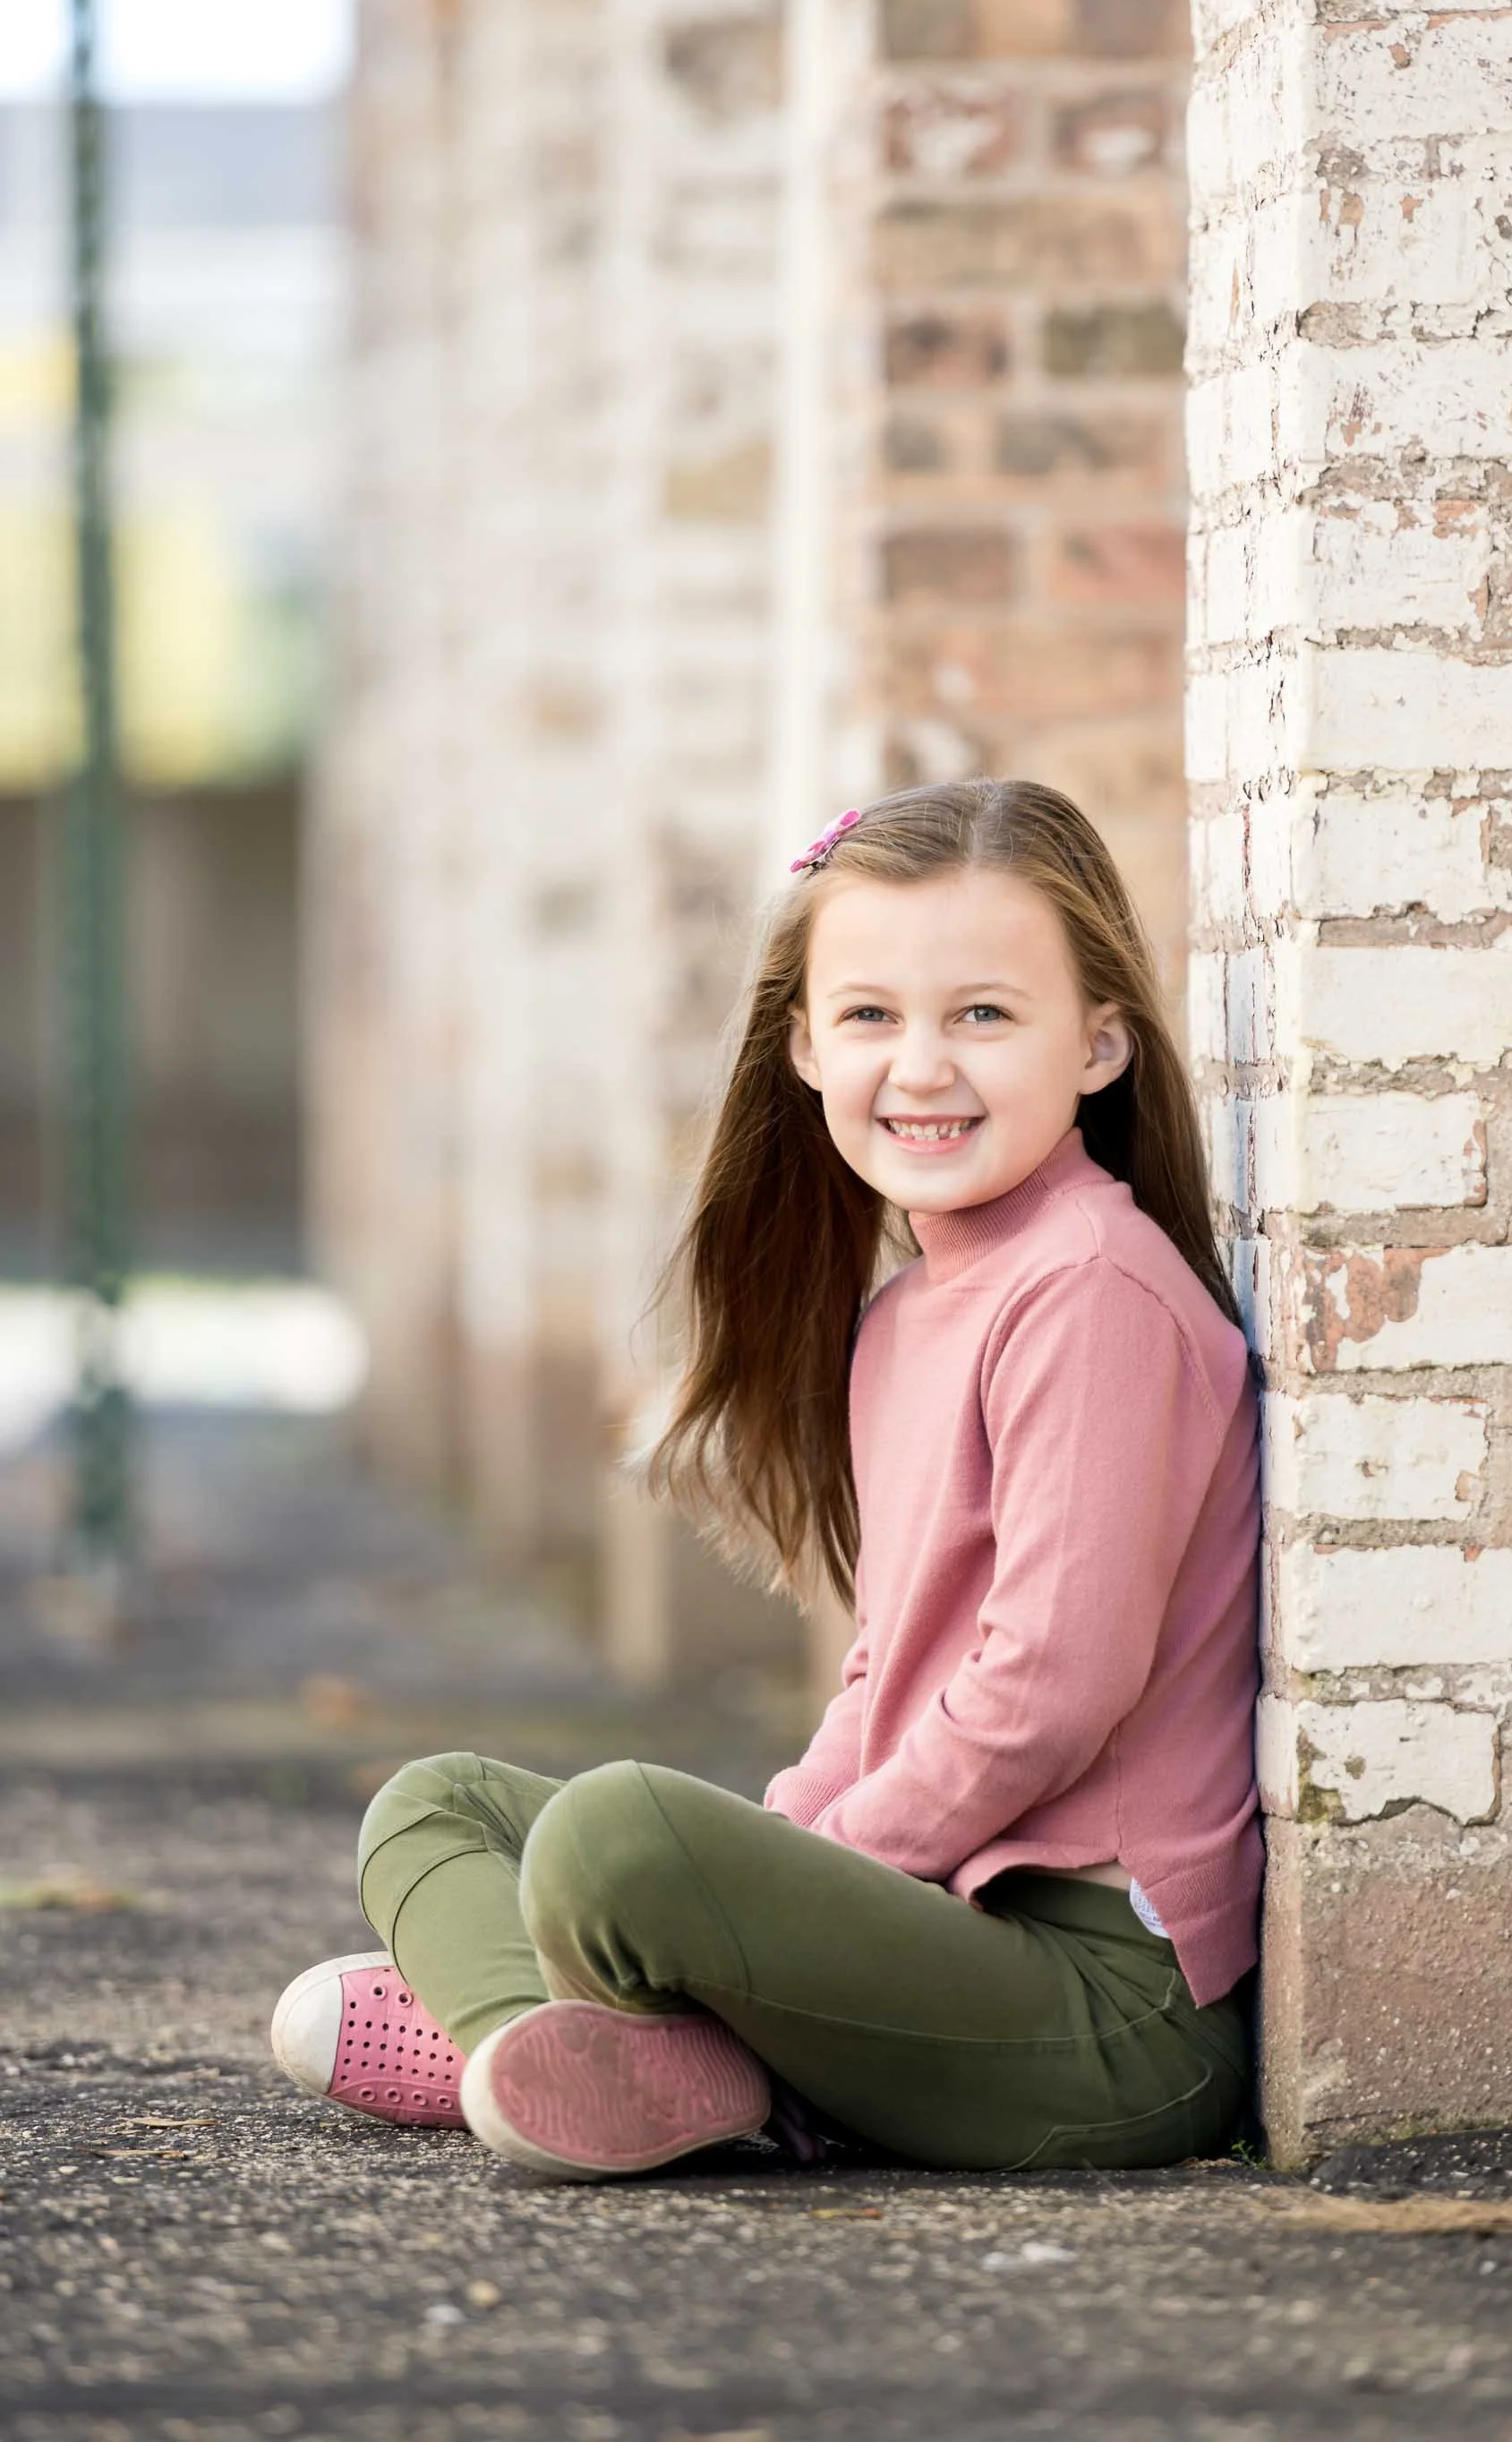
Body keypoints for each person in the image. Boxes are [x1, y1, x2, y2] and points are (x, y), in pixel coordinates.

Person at [270, 778, 1261, 2181]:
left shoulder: (1091, 1291)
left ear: (1097, 1044)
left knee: (619, 1837)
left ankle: (583, 2040)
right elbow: (884, 1679)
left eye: (982, 1014)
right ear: (801, 1048)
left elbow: (1050, 1689)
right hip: (946, 1933)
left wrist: (798, 1873)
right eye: (870, 1016)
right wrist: (775, 1852)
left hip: (1105, 2017)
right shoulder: (912, 1308)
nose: (921, 1067)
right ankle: (571, 2062)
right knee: (436, 1806)